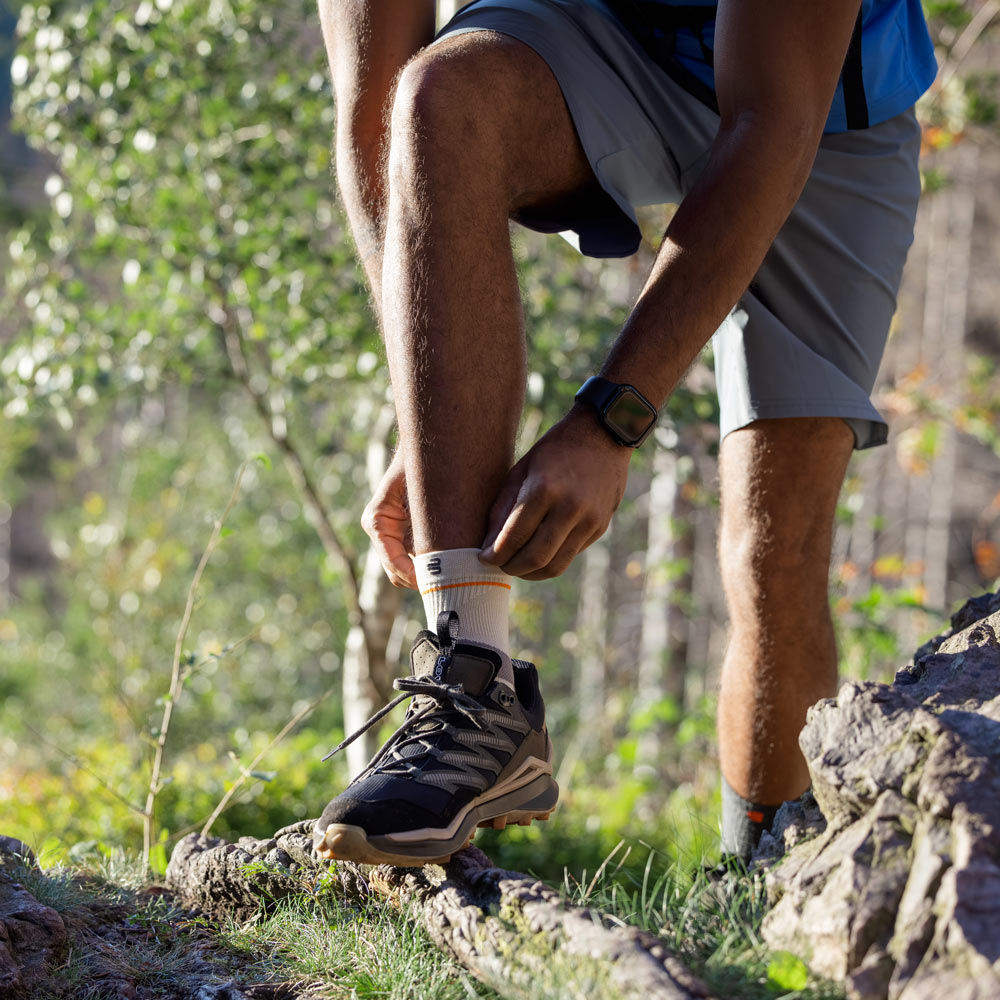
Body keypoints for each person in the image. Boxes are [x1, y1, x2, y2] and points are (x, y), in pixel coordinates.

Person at [311, 0, 937, 866]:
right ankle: (474, 685)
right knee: (440, 96)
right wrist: (429, 427)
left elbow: (770, 121)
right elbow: (371, 120)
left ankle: (762, 874)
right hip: (583, 35)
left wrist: (610, 421)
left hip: (816, 109)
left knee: (773, 543)